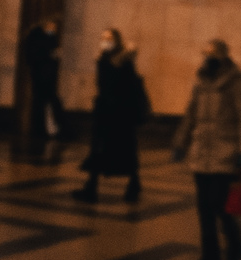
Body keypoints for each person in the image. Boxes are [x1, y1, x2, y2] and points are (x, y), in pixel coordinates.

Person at [171, 37, 241, 260]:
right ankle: (210, 258)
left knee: (219, 206)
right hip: (201, 153)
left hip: (225, 152)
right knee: (204, 209)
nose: (208, 58)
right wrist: (181, 142)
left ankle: (235, 239)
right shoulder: (200, 78)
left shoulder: (235, 80)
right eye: (205, 53)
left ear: (223, 56)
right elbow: (191, 113)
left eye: (212, 54)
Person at [73, 29, 150, 204]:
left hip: (119, 114)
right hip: (106, 112)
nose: (105, 41)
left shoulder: (122, 61)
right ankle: (93, 186)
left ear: (116, 41)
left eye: (109, 38)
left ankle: (131, 183)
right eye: (103, 38)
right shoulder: (104, 59)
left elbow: (125, 85)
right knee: (103, 148)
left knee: (120, 149)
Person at [21, 16, 64, 149]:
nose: (54, 29)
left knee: (44, 103)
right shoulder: (40, 39)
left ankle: (48, 129)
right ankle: (45, 130)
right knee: (44, 103)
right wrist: (51, 54)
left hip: (45, 76)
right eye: (52, 26)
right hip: (42, 76)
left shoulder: (47, 38)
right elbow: (37, 56)